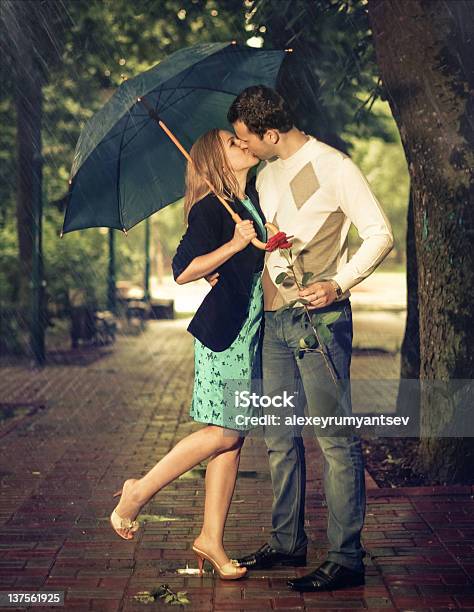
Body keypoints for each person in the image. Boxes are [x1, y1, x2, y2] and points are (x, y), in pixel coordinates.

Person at [213, 85, 394, 592]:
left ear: (272, 132)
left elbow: (379, 232)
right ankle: (288, 540)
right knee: (278, 437)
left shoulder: (334, 166)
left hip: (321, 320)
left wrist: (339, 282)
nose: (245, 148)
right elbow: (271, 245)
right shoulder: (266, 176)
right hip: (275, 320)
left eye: (250, 139)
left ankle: (346, 556)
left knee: (334, 438)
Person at [110, 127, 268, 581]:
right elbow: (183, 269)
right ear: (217, 162)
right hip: (228, 332)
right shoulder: (209, 207)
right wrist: (234, 245)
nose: (244, 144)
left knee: (232, 438)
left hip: (249, 327)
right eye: (233, 144)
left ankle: (210, 540)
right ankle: (138, 492)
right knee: (223, 433)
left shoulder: (246, 199)